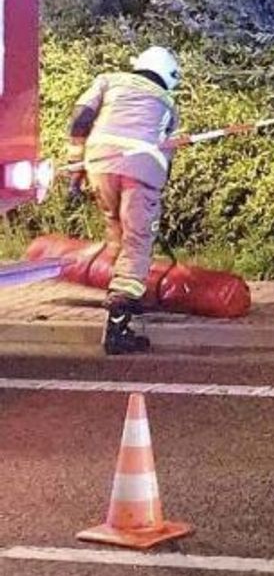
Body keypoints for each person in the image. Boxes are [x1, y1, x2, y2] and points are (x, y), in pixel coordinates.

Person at [66, 45, 181, 356]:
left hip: (100, 166)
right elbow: (166, 154)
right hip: (141, 173)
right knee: (137, 240)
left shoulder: (108, 80)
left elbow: (80, 119)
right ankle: (119, 323)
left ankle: (123, 296)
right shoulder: (167, 103)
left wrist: (76, 167)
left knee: (116, 231)